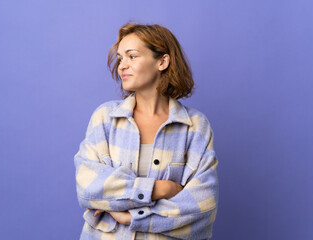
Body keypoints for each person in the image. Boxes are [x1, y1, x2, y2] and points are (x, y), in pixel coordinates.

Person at [74, 22, 219, 240]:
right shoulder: (105, 118)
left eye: (132, 56)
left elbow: (202, 206)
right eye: (121, 58)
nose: (122, 65)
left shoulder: (195, 126)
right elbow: (88, 187)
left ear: (162, 61)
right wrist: (162, 189)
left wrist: (132, 217)